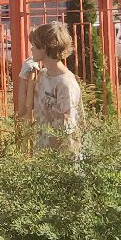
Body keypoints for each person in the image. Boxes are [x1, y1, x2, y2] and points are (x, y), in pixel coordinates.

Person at [21, 21, 82, 152]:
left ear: (45, 47)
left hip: (61, 156)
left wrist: (54, 160)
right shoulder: (43, 75)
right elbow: (26, 107)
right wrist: (23, 77)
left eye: (34, 45)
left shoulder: (65, 83)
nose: (31, 49)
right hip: (43, 151)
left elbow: (68, 128)